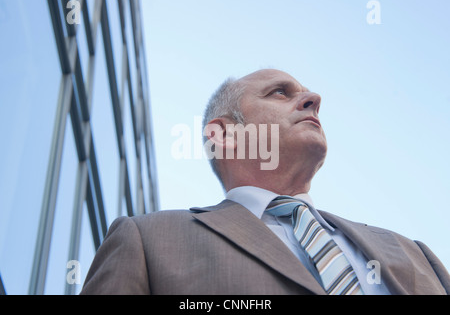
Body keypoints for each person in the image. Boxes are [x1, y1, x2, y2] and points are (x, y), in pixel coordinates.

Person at [80, 69, 450, 295]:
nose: (314, 99)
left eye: (305, 93)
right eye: (280, 92)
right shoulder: (148, 242)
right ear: (223, 135)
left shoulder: (415, 254)